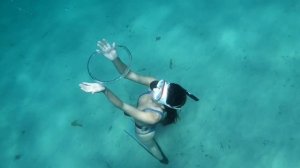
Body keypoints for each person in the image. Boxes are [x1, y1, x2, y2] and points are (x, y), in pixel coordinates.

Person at [79, 39, 199, 164]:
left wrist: (104, 90)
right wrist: (114, 58)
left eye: (159, 92)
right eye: (163, 84)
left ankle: (163, 159)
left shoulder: (153, 117)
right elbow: (129, 74)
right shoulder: (156, 85)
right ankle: (134, 113)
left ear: (163, 102)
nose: (156, 86)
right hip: (141, 112)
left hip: (145, 131)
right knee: (133, 111)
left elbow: (122, 105)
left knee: (150, 145)